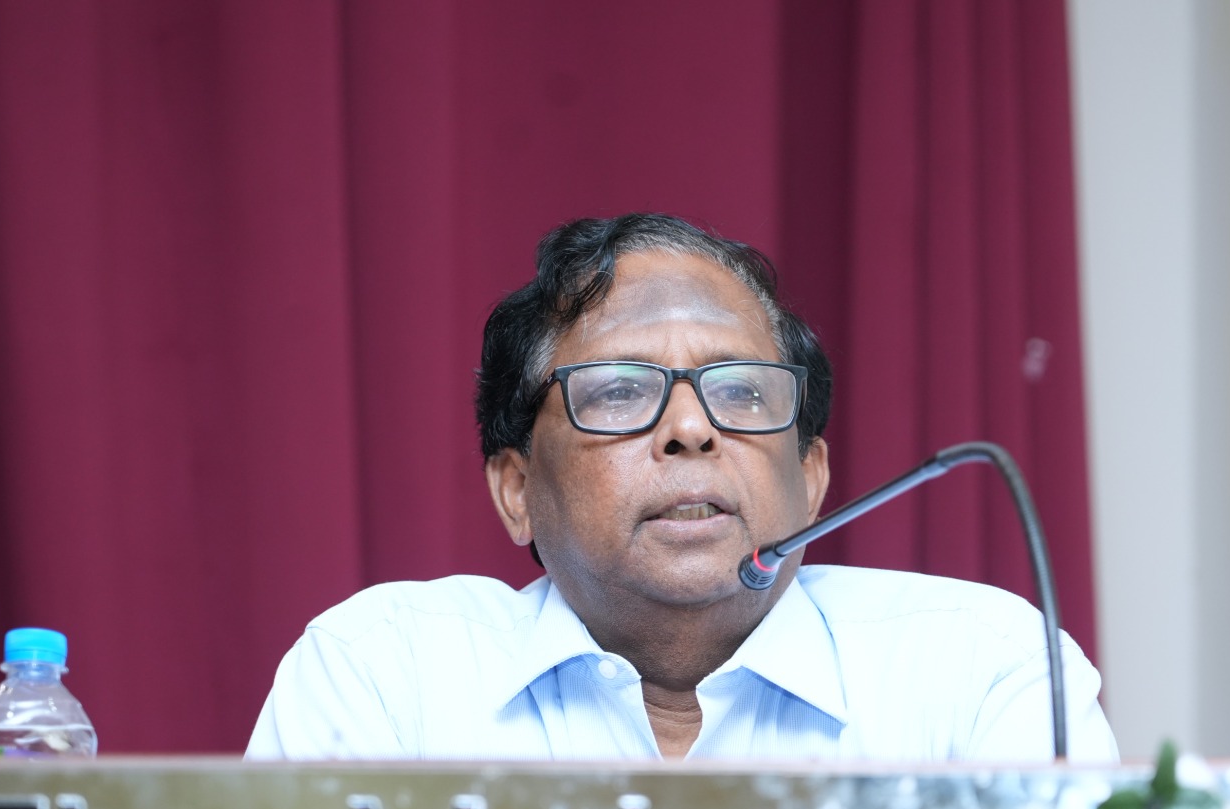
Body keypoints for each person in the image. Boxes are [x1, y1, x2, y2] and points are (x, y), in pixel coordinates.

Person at [247, 214, 1116, 762]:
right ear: (517, 490)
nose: (692, 428)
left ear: (811, 477)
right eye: (619, 392)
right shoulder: (385, 677)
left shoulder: (976, 670)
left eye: (742, 392)